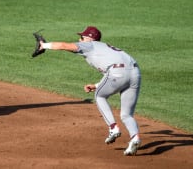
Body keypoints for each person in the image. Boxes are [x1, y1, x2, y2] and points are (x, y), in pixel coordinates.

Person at [39, 26, 142, 156]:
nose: (79, 39)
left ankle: (113, 128)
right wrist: (96, 84)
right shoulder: (105, 48)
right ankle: (135, 138)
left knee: (99, 96)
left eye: (81, 37)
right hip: (136, 74)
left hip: (118, 73)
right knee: (126, 114)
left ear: (89, 38)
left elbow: (64, 45)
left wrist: (44, 45)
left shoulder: (90, 45)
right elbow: (121, 70)